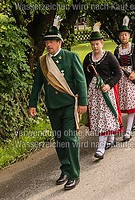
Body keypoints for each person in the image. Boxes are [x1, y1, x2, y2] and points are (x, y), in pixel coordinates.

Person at [29, 27, 87, 190]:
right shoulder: (43, 61)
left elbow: (80, 80)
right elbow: (37, 84)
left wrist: (83, 102)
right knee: (60, 140)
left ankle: (74, 174)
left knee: (69, 138)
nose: (49, 44)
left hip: (69, 104)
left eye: (51, 41)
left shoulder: (70, 57)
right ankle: (65, 169)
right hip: (53, 106)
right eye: (47, 42)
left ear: (59, 42)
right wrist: (32, 103)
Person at [83, 30, 123, 159]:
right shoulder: (88, 58)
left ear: (102, 44)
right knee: (98, 116)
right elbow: (85, 76)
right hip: (93, 92)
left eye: (97, 44)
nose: (95, 47)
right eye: (93, 44)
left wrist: (109, 85)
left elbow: (118, 74)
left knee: (105, 117)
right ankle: (111, 138)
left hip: (106, 91)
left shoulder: (109, 56)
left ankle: (101, 147)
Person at [114, 23, 135, 141]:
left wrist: (134, 72)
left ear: (129, 36)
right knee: (128, 102)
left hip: (133, 77)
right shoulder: (117, 49)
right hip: (122, 79)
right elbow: (115, 64)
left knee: (131, 103)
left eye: (126, 35)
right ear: (119, 37)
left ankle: (128, 131)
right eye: (122, 35)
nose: (124, 37)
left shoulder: (134, 48)